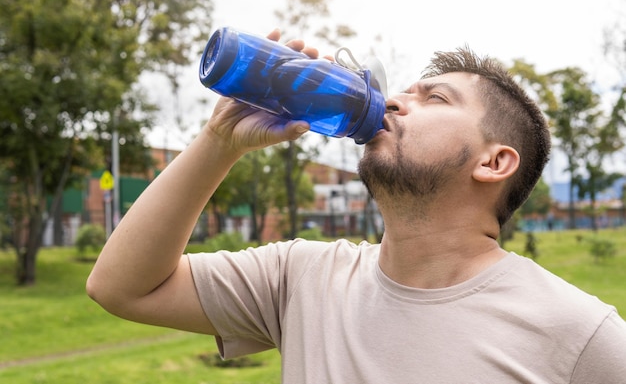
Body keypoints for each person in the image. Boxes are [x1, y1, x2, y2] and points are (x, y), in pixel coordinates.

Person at [87, 30, 626, 383]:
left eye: (434, 98)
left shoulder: (581, 336)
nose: (393, 100)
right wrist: (218, 141)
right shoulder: (300, 277)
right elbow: (121, 287)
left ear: (493, 162)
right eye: (406, 91)